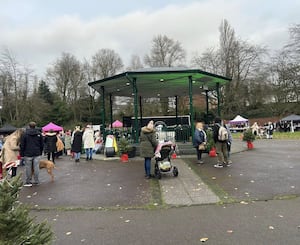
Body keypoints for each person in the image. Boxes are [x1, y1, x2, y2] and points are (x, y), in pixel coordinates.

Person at [20, 122, 44, 186]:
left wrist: (22, 154)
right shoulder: (39, 134)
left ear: (28, 126)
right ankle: (37, 180)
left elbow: (22, 145)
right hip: (37, 153)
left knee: (28, 168)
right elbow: (42, 144)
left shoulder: (24, 134)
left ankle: (28, 181)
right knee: (36, 167)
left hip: (27, 153)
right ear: (35, 126)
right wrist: (40, 152)